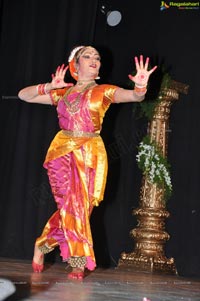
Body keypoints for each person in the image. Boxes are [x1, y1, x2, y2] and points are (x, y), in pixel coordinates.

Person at [18, 45, 157, 280]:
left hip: (91, 153)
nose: (94, 60)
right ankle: (78, 261)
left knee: (80, 208)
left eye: (97, 57)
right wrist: (49, 86)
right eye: (87, 56)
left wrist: (140, 86)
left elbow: (133, 96)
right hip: (63, 150)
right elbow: (24, 95)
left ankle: (42, 244)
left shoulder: (103, 91)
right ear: (76, 65)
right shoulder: (62, 94)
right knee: (72, 206)